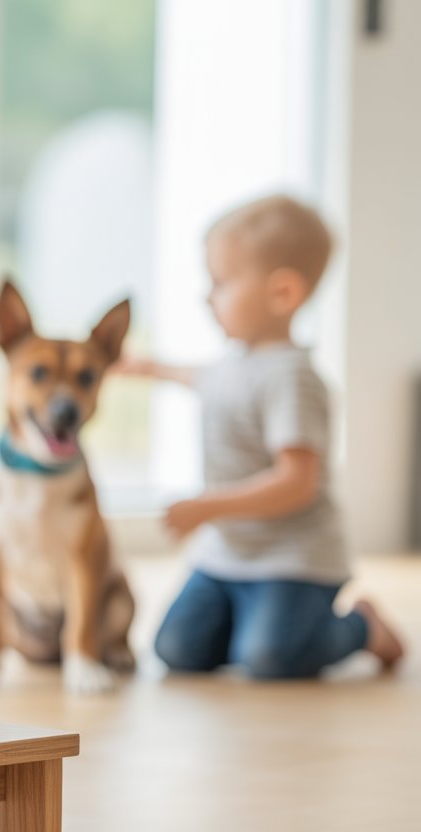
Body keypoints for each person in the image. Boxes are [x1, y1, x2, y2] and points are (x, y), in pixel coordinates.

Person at [119, 194, 404, 678]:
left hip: (293, 560)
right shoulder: (234, 362)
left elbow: (297, 482)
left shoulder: (292, 378)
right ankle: (254, 625)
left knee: (272, 660)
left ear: (283, 294)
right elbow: (198, 377)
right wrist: (146, 368)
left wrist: (209, 506)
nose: (207, 296)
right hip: (228, 557)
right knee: (176, 650)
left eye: (221, 282)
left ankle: (361, 627)